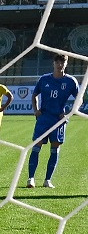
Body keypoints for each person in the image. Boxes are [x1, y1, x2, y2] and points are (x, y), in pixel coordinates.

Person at [28, 53, 80, 189]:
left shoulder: (71, 81)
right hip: (44, 118)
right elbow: (34, 95)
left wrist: (68, 114)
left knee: (55, 149)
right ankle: (31, 179)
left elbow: (79, 99)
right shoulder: (44, 79)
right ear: (53, 63)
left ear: (66, 64)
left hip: (58, 120)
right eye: (57, 62)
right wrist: (36, 110)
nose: (60, 64)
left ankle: (47, 180)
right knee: (36, 147)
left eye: (62, 62)